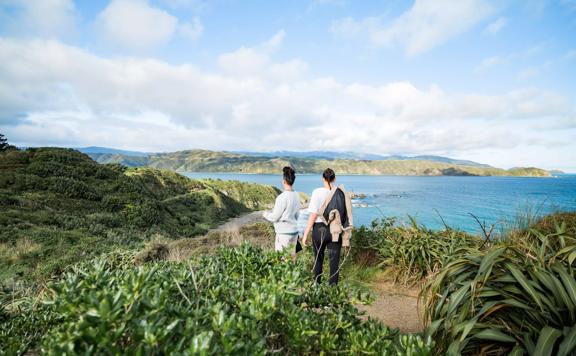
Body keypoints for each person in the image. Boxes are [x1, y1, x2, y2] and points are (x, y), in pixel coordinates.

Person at [302, 168, 352, 285]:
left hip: (319, 229)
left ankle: (317, 289)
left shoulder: (317, 192)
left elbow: (313, 215)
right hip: (335, 231)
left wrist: (305, 235)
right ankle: (332, 293)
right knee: (334, 263)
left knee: (318, 260)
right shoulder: (340, 193)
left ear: (323, 178)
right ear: (334, 179)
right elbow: (345, 214)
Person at [263, 166, 301, 259]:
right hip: (294, 232)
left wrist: (265, 214)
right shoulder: (296, 195)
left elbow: (275, 217)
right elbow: (297, 215)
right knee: (292, 259)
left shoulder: (281, 197)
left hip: (284, 234)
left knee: (281, 260)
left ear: (284, 180)